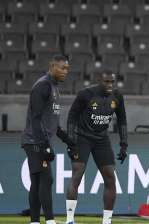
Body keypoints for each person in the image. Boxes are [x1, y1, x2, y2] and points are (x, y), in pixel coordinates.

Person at [65, 69, 128, 224]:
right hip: (82, 138)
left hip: (101, 139)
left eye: (112, 81)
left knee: (110, 178)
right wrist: (71, 141)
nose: (110, 85)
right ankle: (70, 219)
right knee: (77, 174)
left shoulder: (117, 96)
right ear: (99, 80)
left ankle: (106, 221)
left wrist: (124, 144)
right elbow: (72, 117)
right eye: (106, 81)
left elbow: (122, 120)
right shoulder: (85, 94)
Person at [21, 55, 73, 224]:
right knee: (46, 179)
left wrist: (68, 140)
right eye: (62, 68)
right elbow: (35, 119)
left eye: (67, 69)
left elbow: (53, 123)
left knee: (37, 182)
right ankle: (49, 220)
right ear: (52, 66)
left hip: (39, 141)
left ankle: (35, 221)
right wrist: (44, 145)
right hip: (34, 141)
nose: (65, 71)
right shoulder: (43, 85)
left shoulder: (55, 87)